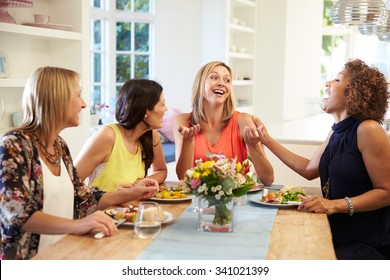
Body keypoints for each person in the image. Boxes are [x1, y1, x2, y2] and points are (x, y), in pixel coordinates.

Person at [0, 67, 159, 260]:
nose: (84, 104)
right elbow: (17, 213)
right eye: (78, 95)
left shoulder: (59, 145)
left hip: (65, 253)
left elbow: (82, 197)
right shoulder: (14, 145)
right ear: (57, 99)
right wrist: (78, 225)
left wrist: (132, 193)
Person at [246, 59, 390, 259]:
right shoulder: (335, 133)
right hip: (337, 235)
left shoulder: (369, 129)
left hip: (366, 243)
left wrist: (335, 204)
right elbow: (308, 169)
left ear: (354, 92)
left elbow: (386, 191)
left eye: (337, 80)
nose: (328, 83)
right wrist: (266, 140)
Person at [173, 61, 274, 186]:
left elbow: (268, 179)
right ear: (200, 84)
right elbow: (183, 177)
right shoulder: (182, 122)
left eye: (227, 80)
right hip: (198, 201)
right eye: (214, 77)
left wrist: (254, 147)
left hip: (237, 201)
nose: (221, 83)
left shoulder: (243, 121)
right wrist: (188, 142)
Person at [75, 79, 168, 192]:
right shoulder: (107, 136)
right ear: (146, 111)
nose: (166, 109)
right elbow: (72, 184)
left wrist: (140, 184)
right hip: (103, 209)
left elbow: (161, 170)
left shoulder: (151, 135)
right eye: (162, 104)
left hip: (131, 208)